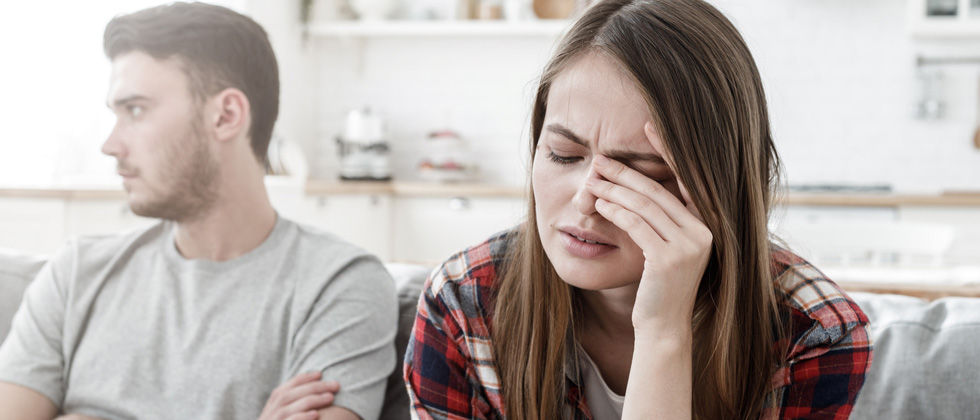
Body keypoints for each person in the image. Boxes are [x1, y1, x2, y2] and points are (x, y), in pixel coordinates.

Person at [404, 0, 872, 419]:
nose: (586, 200)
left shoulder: (814, 333)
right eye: (564, 155)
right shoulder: (463, 303)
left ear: (719, 183)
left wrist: (663, 330)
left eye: (641, 175)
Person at [0, 3, 396, 420]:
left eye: (135, 110)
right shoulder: (76, 273)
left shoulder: (339, 285)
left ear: (226, 116)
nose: (110, 145)